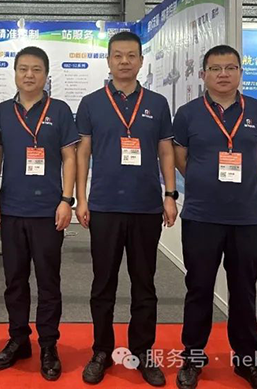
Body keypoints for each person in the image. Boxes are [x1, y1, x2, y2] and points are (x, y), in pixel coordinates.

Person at [75, 31, 178, 387]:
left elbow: (165, 151)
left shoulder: (157, 103)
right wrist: (81, 198)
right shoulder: (91, 103)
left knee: (144, 284)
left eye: (131, 55)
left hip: (146, 207)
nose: (124, 61)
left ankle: (143, 351)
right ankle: (101, 351)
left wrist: (170, 194)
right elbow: (82, 153)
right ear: (108, 60)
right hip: (104, 206)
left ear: (141, 61)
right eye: (117, 55)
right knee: (102, 284)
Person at [172, 44, 257, 389]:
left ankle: (247, 362)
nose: (223, 74)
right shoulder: (187, 114)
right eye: (215, 68)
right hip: (201, 216)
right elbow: (180, 158)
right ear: (203, 74)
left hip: (246, 217)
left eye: (230, 68)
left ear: (240, 73)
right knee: (198, 288)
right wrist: (203, 181)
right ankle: (192, 358)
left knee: (244, 291)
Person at [0, 46, 79, 381]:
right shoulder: (1, 111)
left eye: (36, 69)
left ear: (46, 74)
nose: (29, 75)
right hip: (12, 208)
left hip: (47, 211)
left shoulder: (60, 110)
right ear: (15, 73)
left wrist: (66, 200)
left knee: (48, 281)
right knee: (14, 280)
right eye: (23, 69)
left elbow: (69, 157)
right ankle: (18, 339)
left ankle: (48, 344)